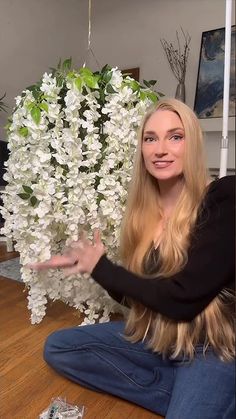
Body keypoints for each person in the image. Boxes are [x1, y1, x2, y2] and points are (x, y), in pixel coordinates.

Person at [29, 98, 235, 419]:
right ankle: (195, 398)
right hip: (160, 339)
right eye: (150, 138)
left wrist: (105, 269)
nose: (160, 149)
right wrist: (92, 268)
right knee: (60, 349)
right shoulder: (143, 215)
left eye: (175, 137)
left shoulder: (224, 196)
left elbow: (183, 299)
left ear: (193, 144)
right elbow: (143, 296)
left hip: (211, 349)